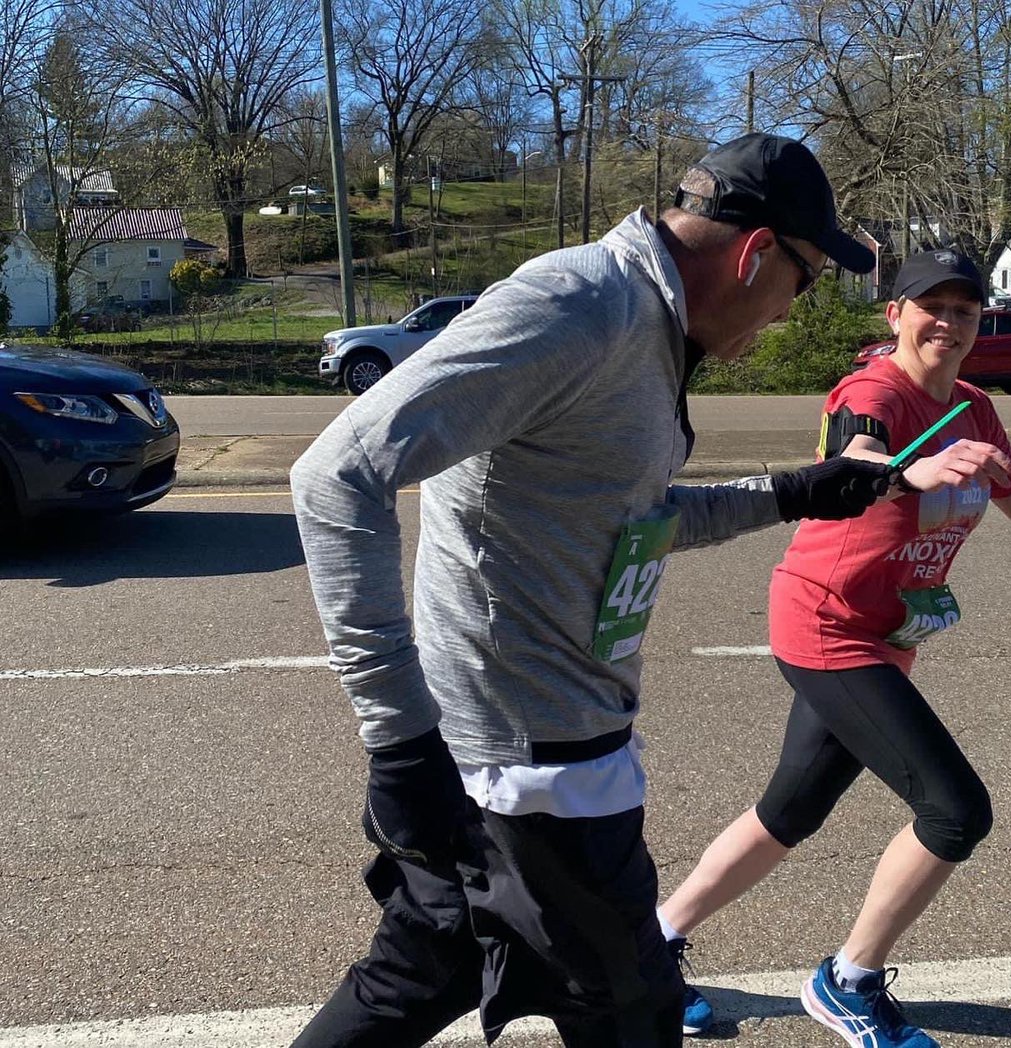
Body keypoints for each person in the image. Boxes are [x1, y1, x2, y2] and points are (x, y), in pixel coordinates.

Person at [288, 132, 900, 1048]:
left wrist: (792, 493)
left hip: (533, 758)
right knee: (634, 1014)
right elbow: (336, 475)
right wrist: (401, 742)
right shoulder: (581, 303)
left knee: (419, 975)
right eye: (804, 281)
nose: (788, 311)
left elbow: (626, 522)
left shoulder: (647, 327)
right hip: (533, 775)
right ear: (755, 252)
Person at [657, 248, 1011, 1047]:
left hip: (887, 634)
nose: (947, 322)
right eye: (931, 306)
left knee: (788, 811)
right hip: (827, 624)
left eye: (964, 311)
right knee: (954, 811)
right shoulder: (871, 393)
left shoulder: (975, 407)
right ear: (895, 315)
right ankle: (849, 981)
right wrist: (914, 471)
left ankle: (648, 946)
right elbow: (855, 460)